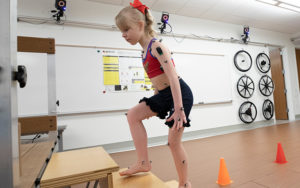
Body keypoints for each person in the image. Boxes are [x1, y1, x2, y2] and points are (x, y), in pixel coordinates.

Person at [115, 0, 193, 187]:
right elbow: (156, 78)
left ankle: (184, 183)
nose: (123, 35)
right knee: (133, 115)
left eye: (126, 29)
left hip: (180, 94)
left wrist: (178, 108)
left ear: (140, 25)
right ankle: (143, 162)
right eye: (121, 31)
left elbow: (173, 78)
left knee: (173, 142)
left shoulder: (157, 46)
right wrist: (155, 98)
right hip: (164, 94)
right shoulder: (143, 52)